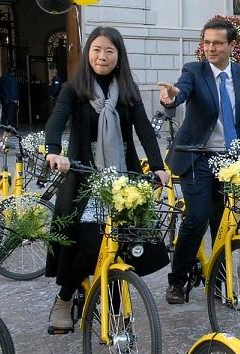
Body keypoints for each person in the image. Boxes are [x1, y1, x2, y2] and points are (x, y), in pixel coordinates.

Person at [43, 26, 169, 332]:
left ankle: (112, 304)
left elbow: (144, 131)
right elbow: (56, 121)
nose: (102, 56)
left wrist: (158, 166)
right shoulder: (74, 89)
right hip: (85, 175)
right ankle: (65, 297)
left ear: (118, 56)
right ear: (88, 53)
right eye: (97, 50)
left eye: (109, 51)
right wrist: (53, 152)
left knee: (121, 243)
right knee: (87, 242)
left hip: (122, 175)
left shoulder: (128, 90)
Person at [157, 19, 240, 304]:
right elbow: (181, 91)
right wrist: (171, 99)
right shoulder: (193, 70)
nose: (210, 48)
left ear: (231, 46)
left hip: (231, 161)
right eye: (206, 42)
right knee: (198, 216)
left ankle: (219, 280)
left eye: (217, 43)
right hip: (197, 157)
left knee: (224, 222)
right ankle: (177, 281)